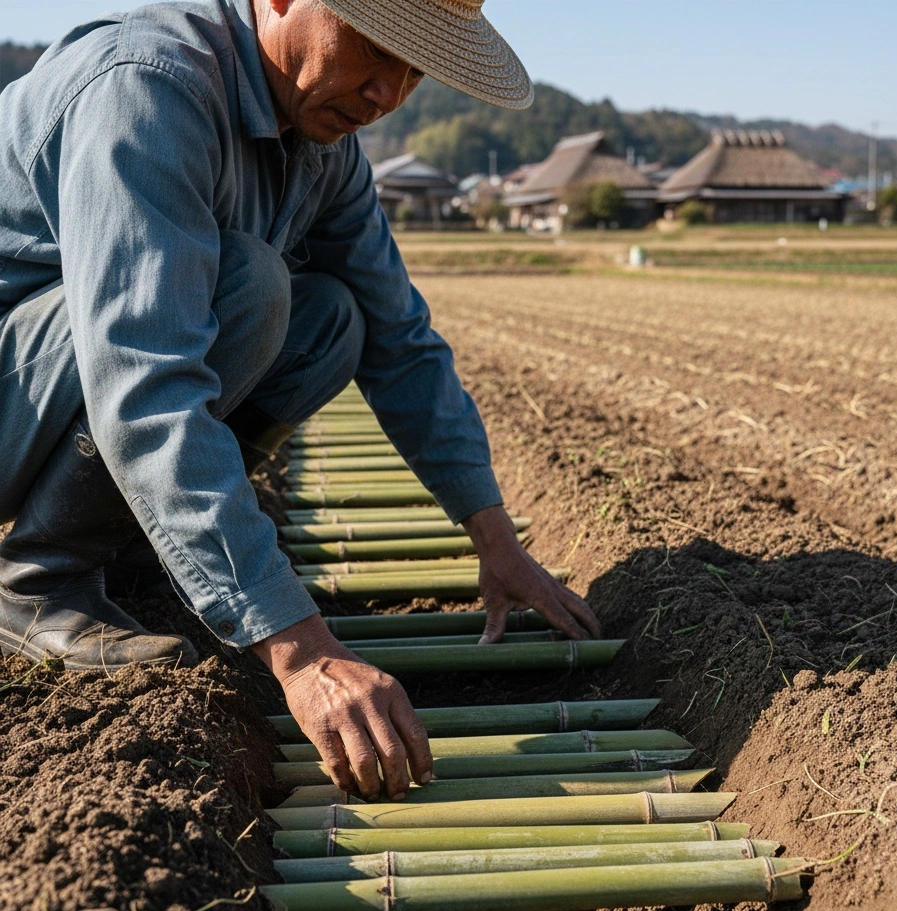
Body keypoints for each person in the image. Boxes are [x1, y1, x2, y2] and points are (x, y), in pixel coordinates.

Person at [0, 0, 600, 801]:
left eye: (415, 71)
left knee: (333, 320)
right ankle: (38, 578)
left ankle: (140, 551)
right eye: (378, 48)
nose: (388, 92)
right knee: (245, 284)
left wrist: (495, 536)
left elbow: (401, 339)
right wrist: (303, 651)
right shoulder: (149, 87)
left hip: (53, 385)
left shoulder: (322, 147)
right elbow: (144, 380)